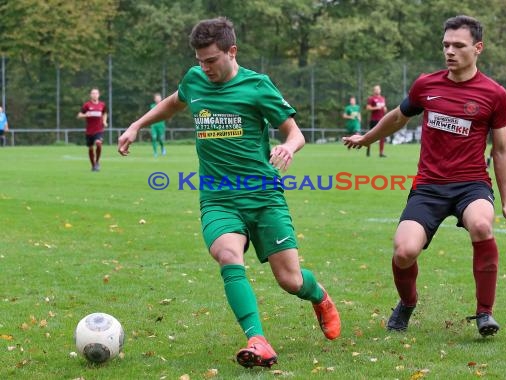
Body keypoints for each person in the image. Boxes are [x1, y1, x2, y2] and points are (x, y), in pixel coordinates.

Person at [118, 17, 341, 368]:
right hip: (218, 197)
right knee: (228, 256)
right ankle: (258, 340)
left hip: (263, 195)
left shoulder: (258, 86)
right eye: (199, 60)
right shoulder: (195, 80)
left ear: (231, 51)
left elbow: (295, 132)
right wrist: (137, 125)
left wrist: (288, 147)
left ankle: (320, 297)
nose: (204, 68)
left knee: (290, 279)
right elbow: (174, 103)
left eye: (211, 60)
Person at [343, 15, 506, 337]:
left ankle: (485, 313)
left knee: (483, 225)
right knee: (404, 252)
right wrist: (366, 138)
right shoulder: (427, 85)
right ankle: (408, 303)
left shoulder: (494, 94)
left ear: (478, 48)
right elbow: (398, 117)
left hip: (472, 185)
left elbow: (502, 150)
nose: (450, 51)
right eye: (446, 45)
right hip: (429, 187)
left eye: (458, 45)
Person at [77, 88, 107, 171]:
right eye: (93, 93)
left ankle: (97, 162)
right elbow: (79, 115)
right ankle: (93, 165)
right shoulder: (87, 105)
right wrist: (86, 115)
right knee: (90, 148)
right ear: (90, 95)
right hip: (89, 131)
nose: (94, 95)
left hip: (99, 130)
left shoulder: (102, 105)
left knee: (98, 143)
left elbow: (104, 113)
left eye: (96, 93)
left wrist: (104, 121)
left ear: (99, 94)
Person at [365, 85, 388, 157]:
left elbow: (385, 108)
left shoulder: (382, 98)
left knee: (382, 136)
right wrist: (376, 107)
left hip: (381, 120)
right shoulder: (371, 98)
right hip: (374, 120)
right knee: (371, 136)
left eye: (378, 89)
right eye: (376, 89)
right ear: (374, 91)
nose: (377, 90)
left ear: (380, 90)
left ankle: (381, 153)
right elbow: (368, 107)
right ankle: (368, 150)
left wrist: (385, 109)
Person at [150, 93, 167, 158]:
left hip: (161, 125)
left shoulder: (164, 105)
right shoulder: (152, 106)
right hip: (154, 124)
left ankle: (162, 148)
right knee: (154, 138)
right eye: (157, 98)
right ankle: (155, 152)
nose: (158, 99)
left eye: (159, 97)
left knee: (160, 139)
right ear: (154, 99)